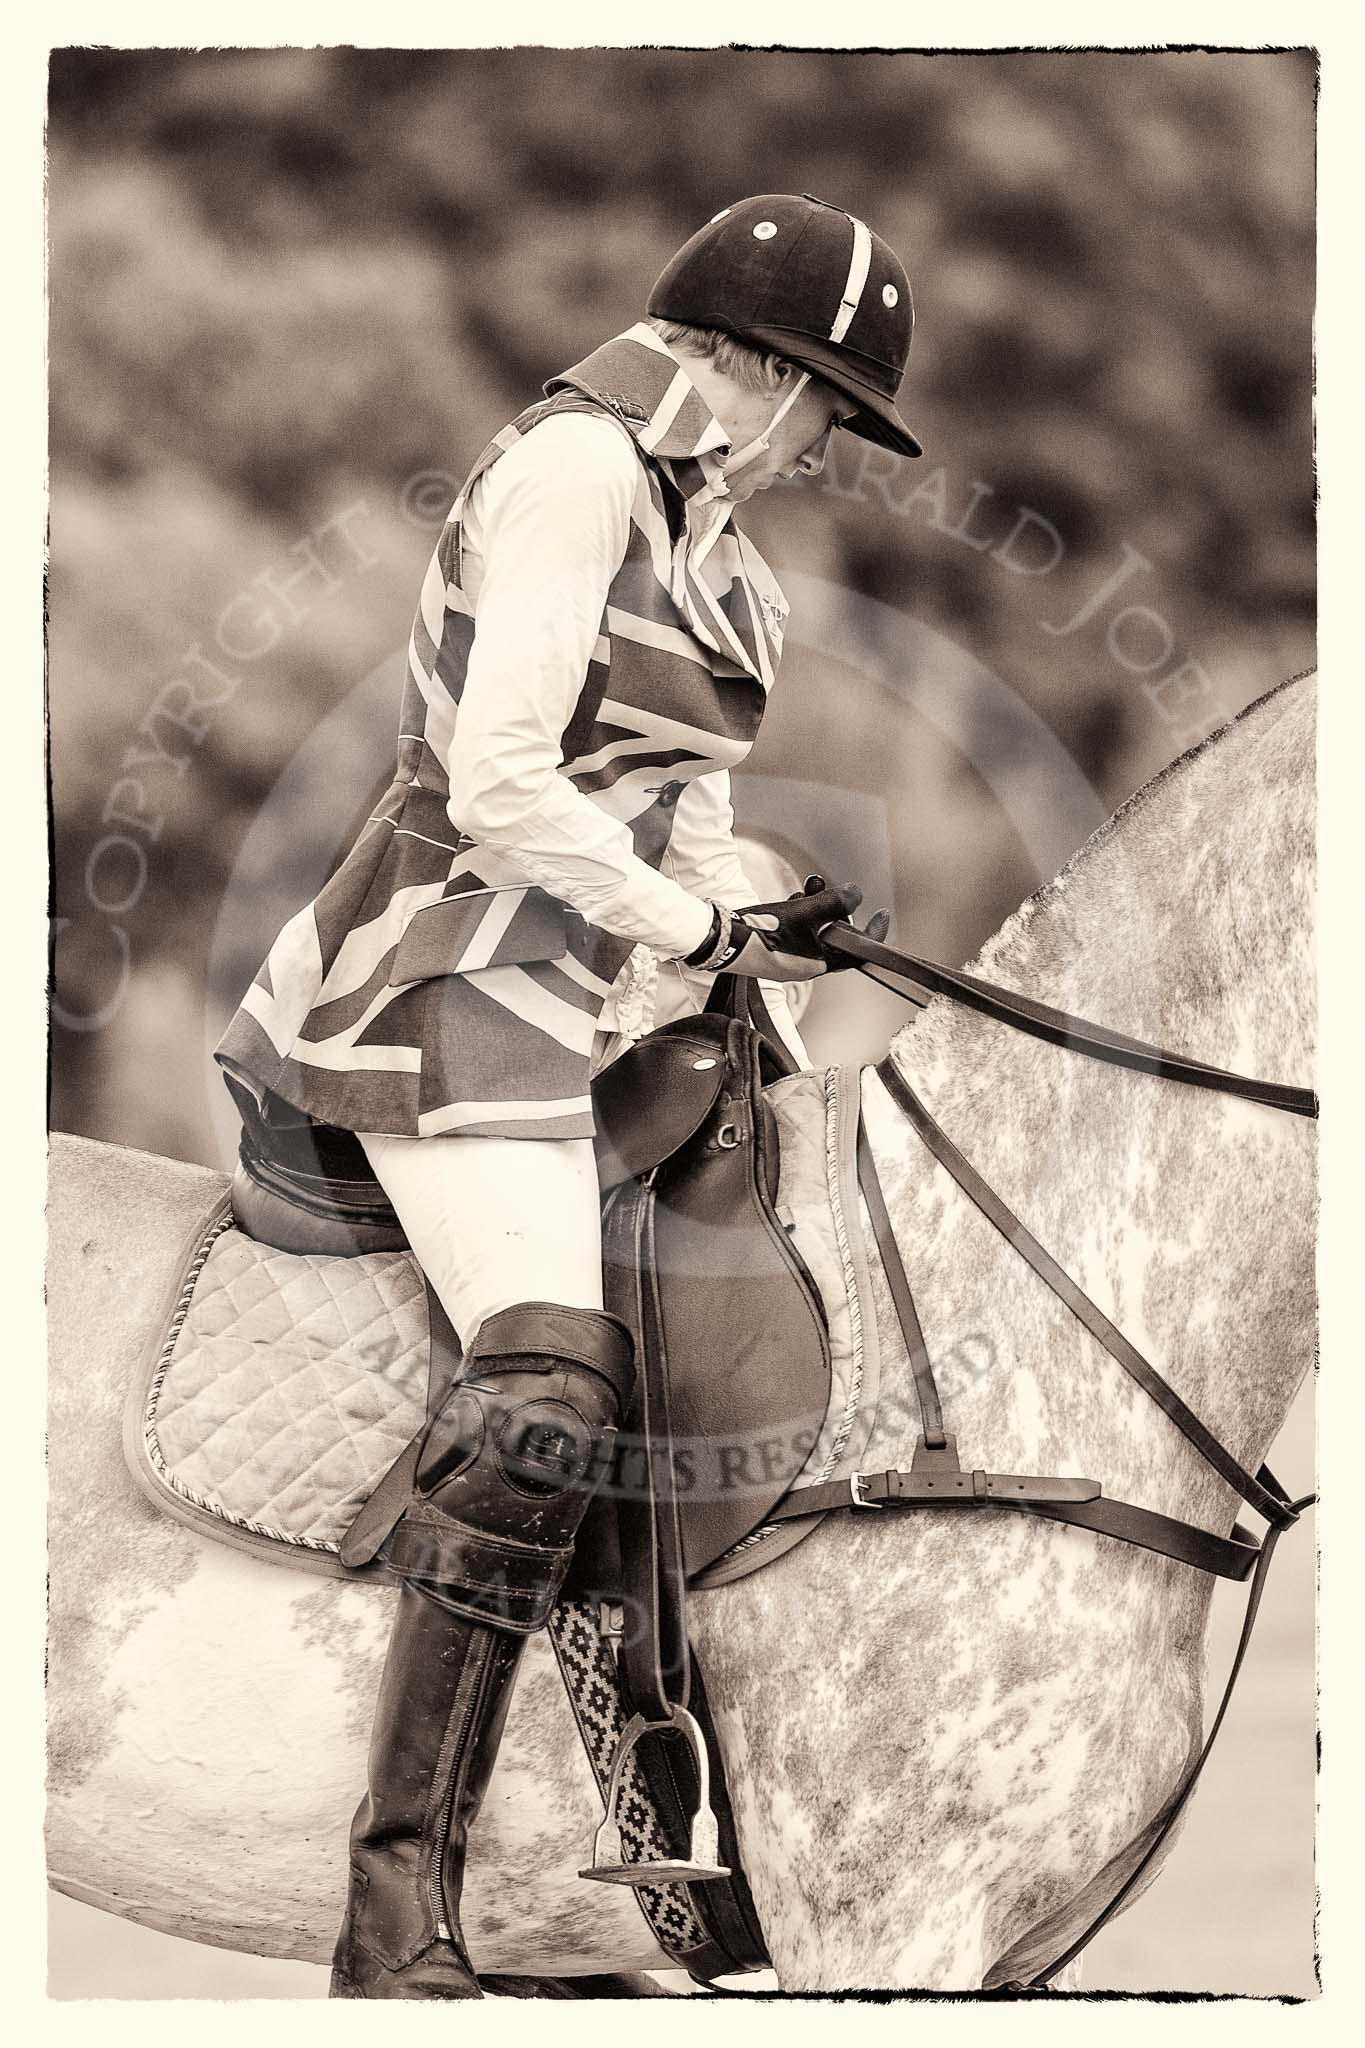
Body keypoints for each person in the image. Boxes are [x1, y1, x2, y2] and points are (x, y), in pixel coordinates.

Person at [215, 191, 923, 1999]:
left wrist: (754, 912)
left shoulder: (719, 546)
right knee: (548, 1378)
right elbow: (502, 777)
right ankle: (396, 1909)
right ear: (755, 369)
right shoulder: (576, 472)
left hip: (595, 992)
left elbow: (677, 809)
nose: (822, 447)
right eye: (824, 408)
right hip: (442, 975)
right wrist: (686, 908)